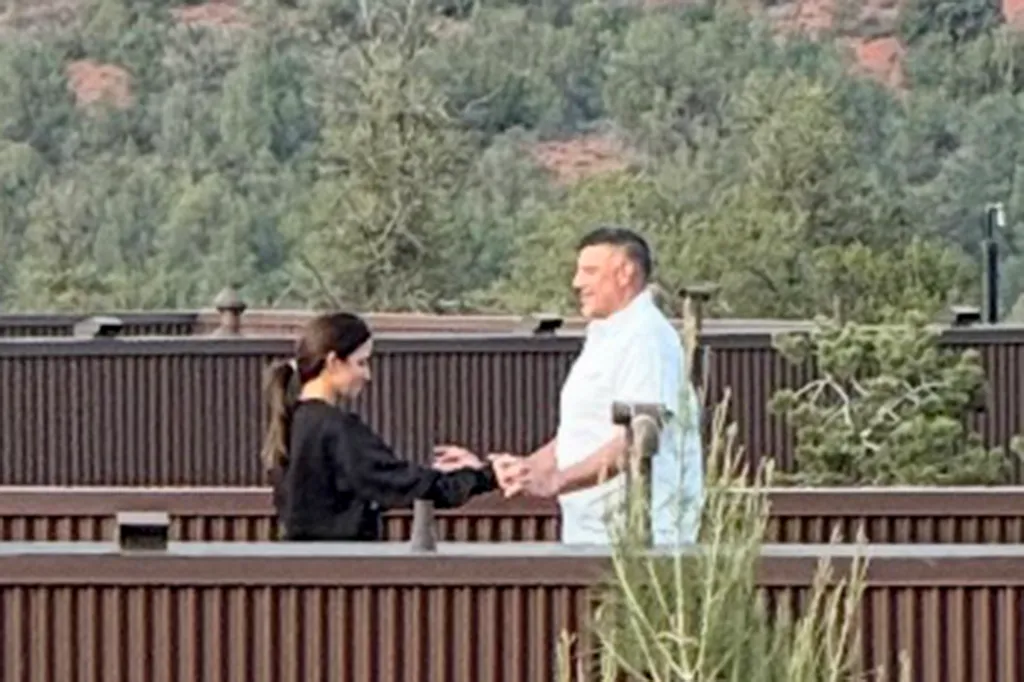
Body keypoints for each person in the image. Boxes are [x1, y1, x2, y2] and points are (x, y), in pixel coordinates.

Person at [438, 226, 704, 545]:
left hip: (638, 540)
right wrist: (505, 471)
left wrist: (557, 480)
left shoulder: (646, 338)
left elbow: (638, 438)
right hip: (592, 533)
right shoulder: (607, 336)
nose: (577, 282)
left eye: (590, 271)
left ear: (626, 273)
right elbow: (579, 435)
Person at [260, 311, 497, 541]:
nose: (368, 375)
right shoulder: (337, 429)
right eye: (361, 362)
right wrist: (483, 476)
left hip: (302, 561)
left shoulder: (292, 422)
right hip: (341, 562)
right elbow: (401, 483)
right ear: (333, 362)